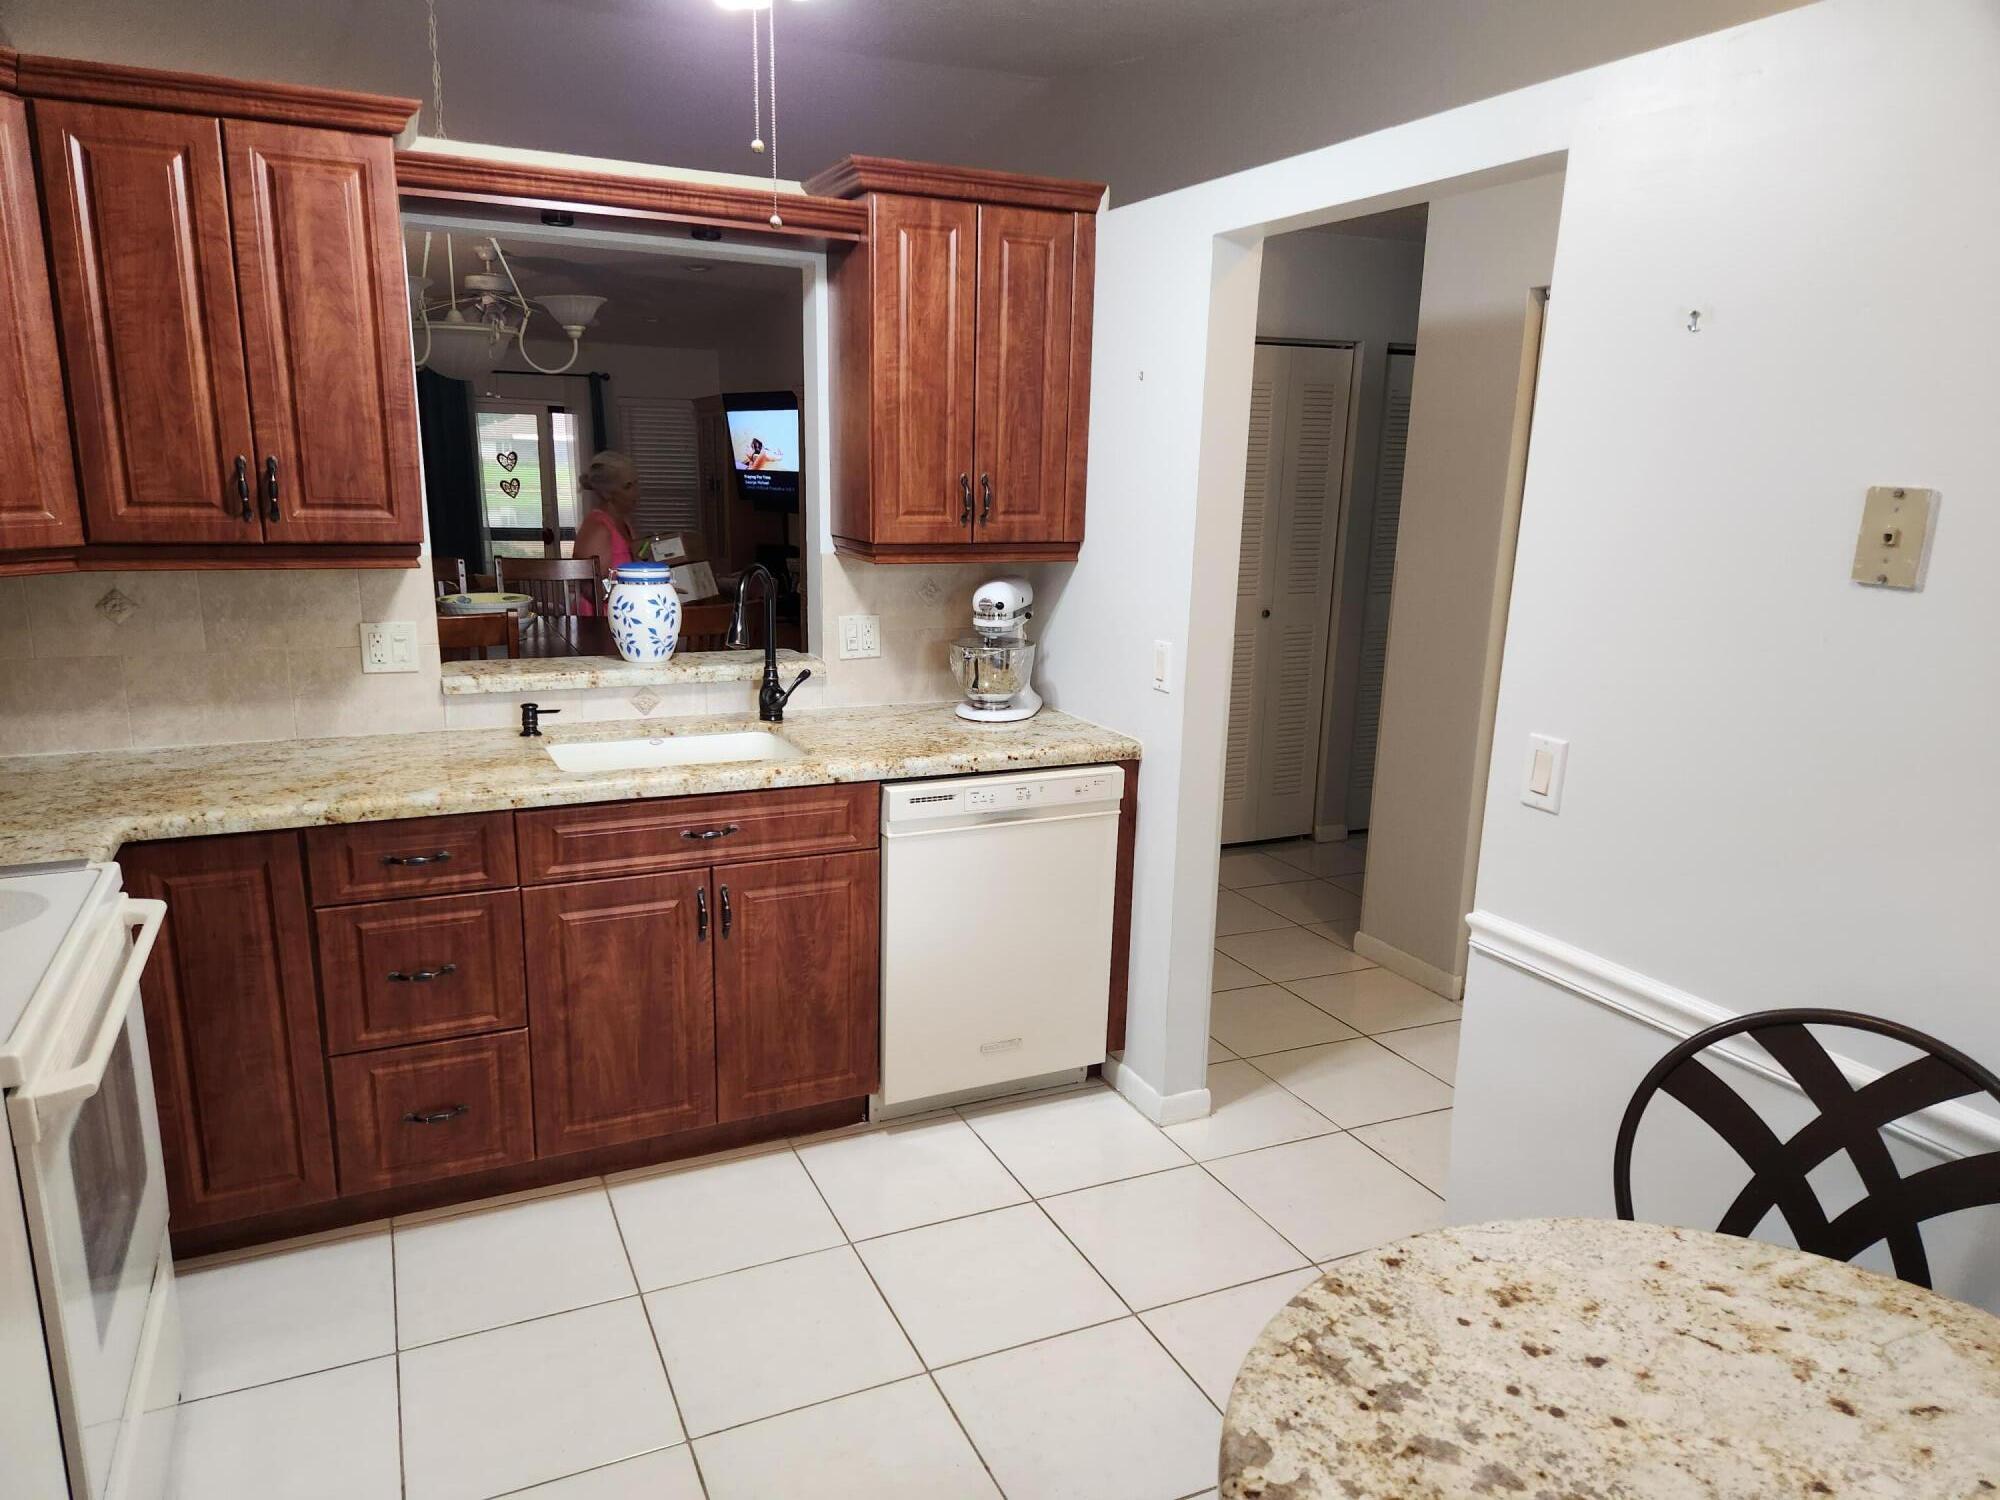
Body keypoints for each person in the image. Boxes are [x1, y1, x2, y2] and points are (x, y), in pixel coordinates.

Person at [572, 451, 639, 612]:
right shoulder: (598, 529)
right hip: (598, 624)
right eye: (628, 486)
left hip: (624, 617)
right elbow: (590, 589)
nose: (637, 492)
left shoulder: (624, 523)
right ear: (607, 493)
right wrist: (639, 592)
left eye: (636, 483)